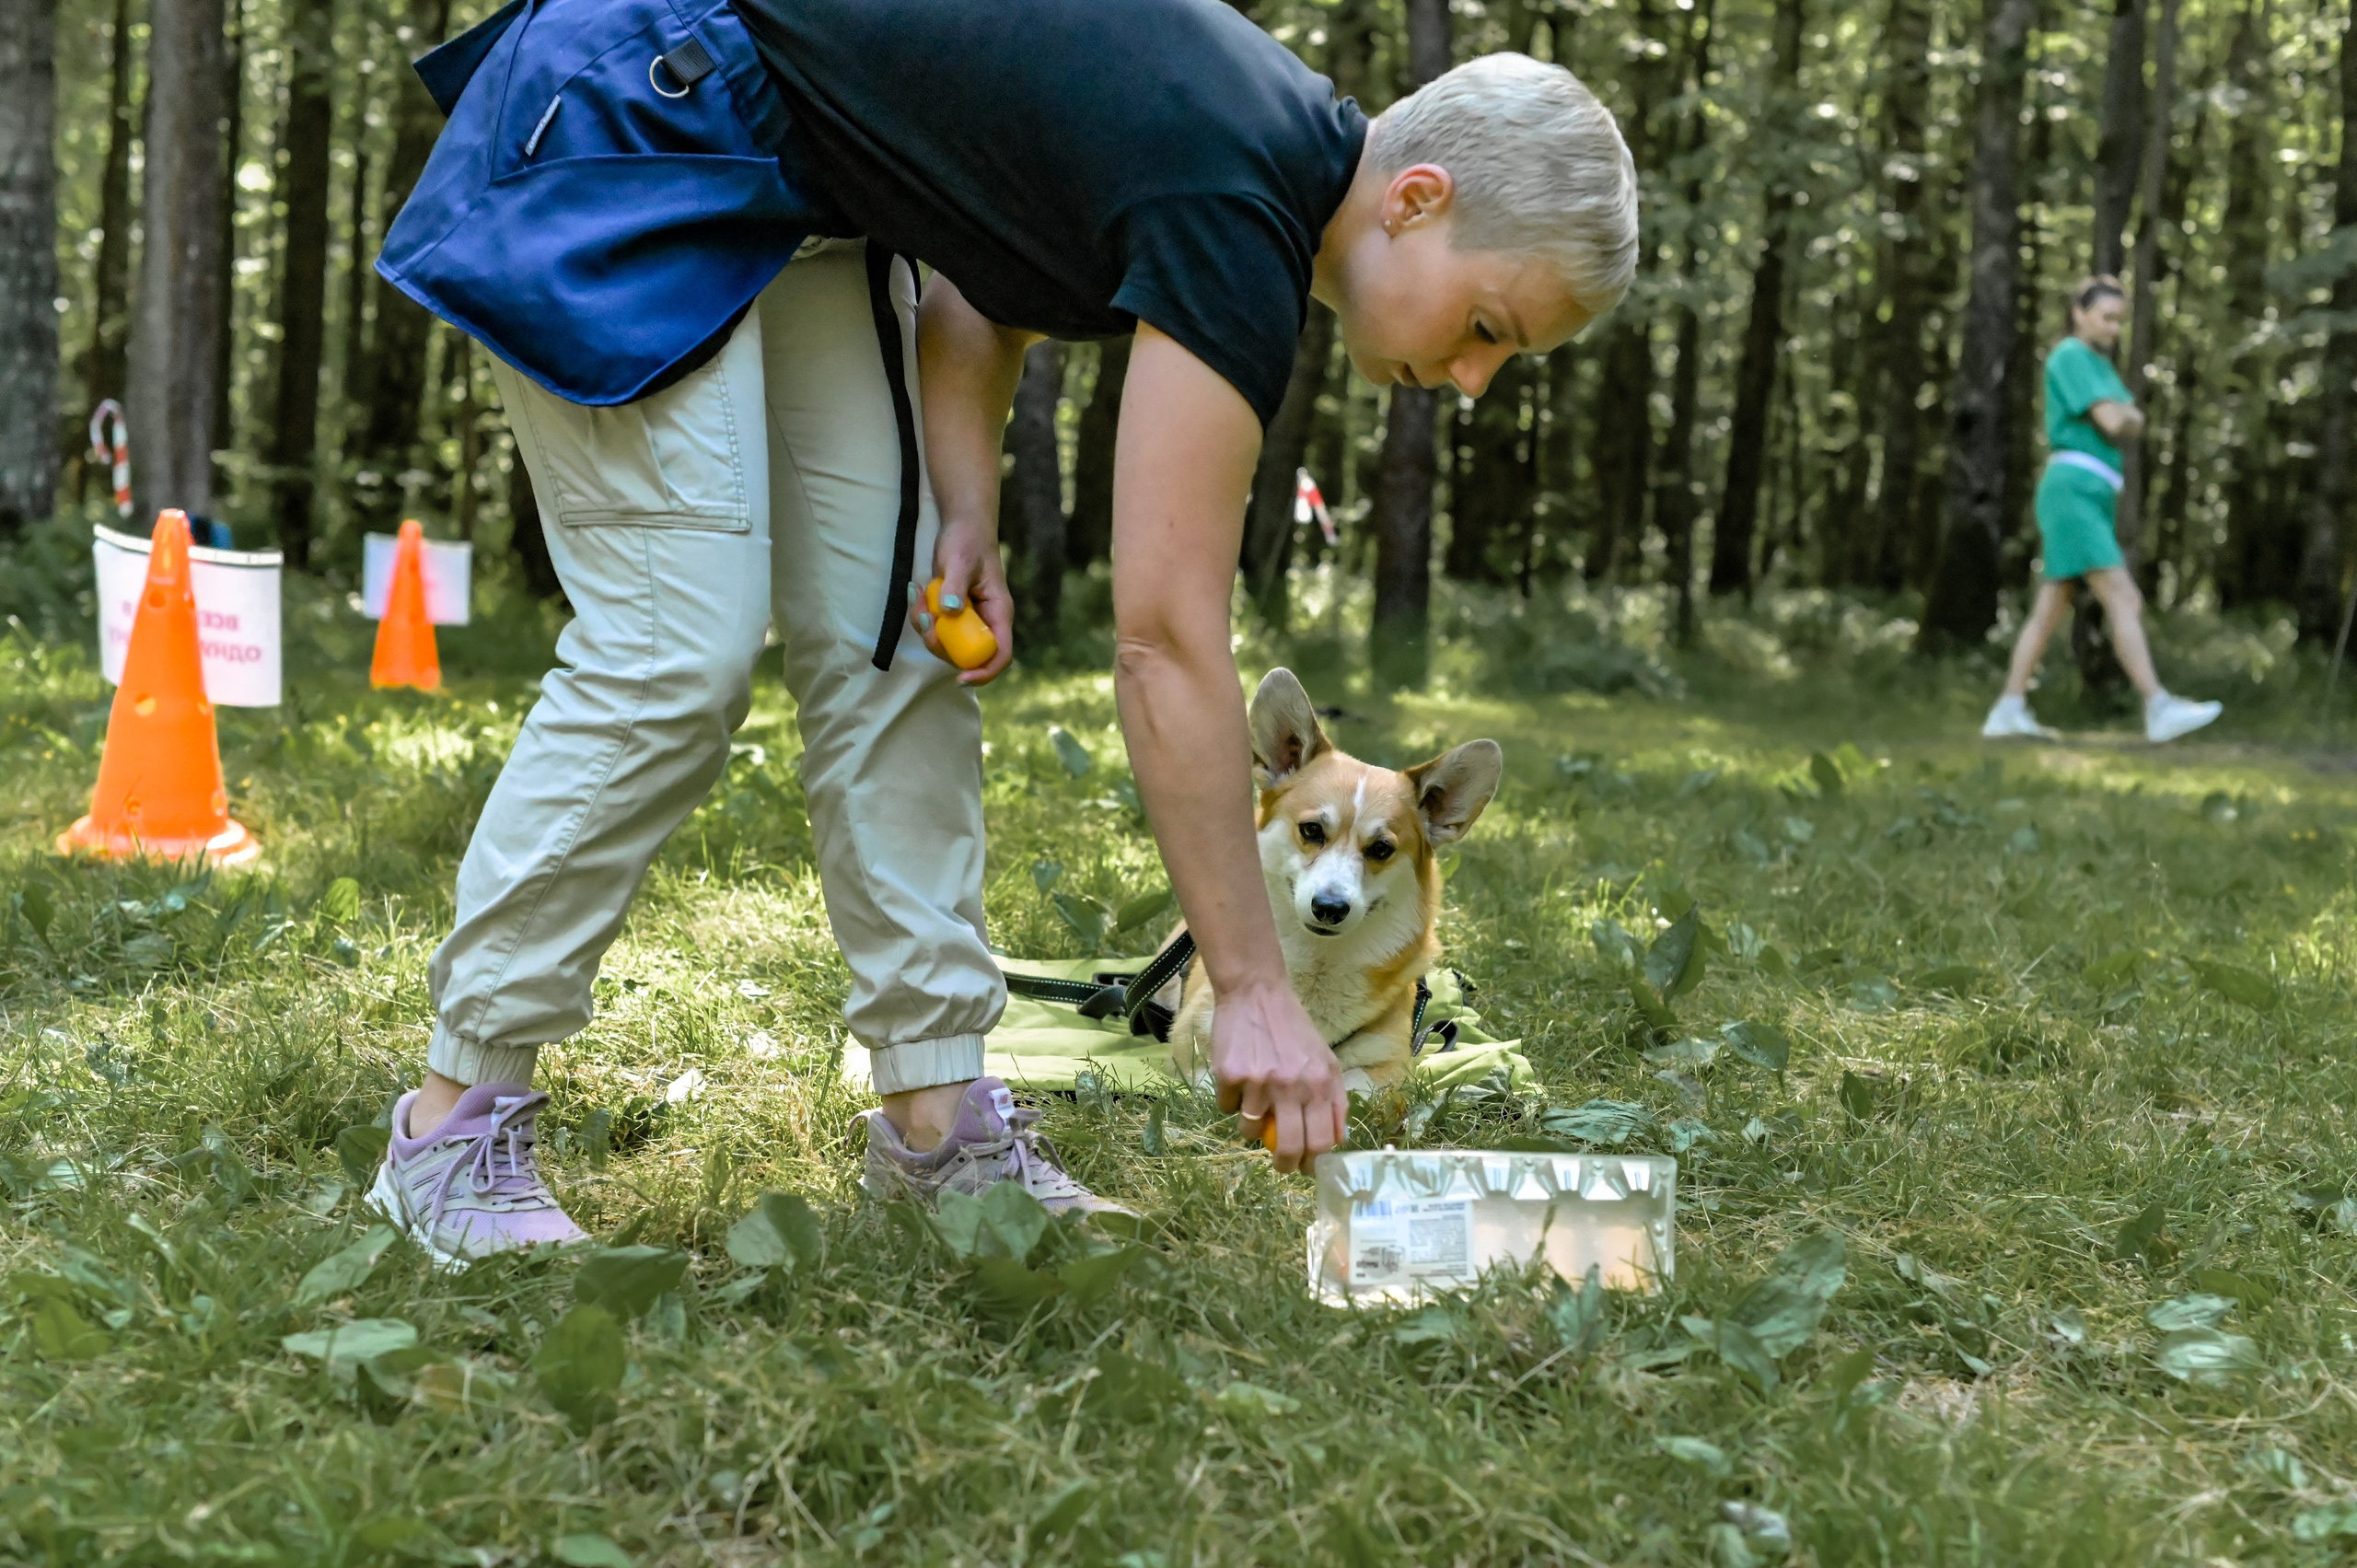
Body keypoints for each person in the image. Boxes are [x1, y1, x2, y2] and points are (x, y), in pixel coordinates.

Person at [362, 0, 1637, 1264]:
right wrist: (1251, 987)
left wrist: (962, 501)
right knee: (675, 651)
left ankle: (936, 1121)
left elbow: (987, 282)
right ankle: (450, 1123)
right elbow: (1166, 643)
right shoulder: (1239, 202)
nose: (1473, 382)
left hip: (808, 191)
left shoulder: (1247, 158)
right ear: (1414, 200)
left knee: (907, 634)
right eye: (1487, 330)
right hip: (641, 106)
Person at [1983, 275, 2221, 745]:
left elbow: (2132, 418)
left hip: (2088, 492)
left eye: (2119, 319)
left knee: (2050, 609)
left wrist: (2129, 414)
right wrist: (2126, 413)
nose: (2114, 327)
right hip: (2073, 490)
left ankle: (2008, 708)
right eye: (2106, 316)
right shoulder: (2071, 355)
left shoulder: (2095, 364)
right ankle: (2157, 706)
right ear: (2078, 312)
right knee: (2122, 596)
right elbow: (2118, 419)